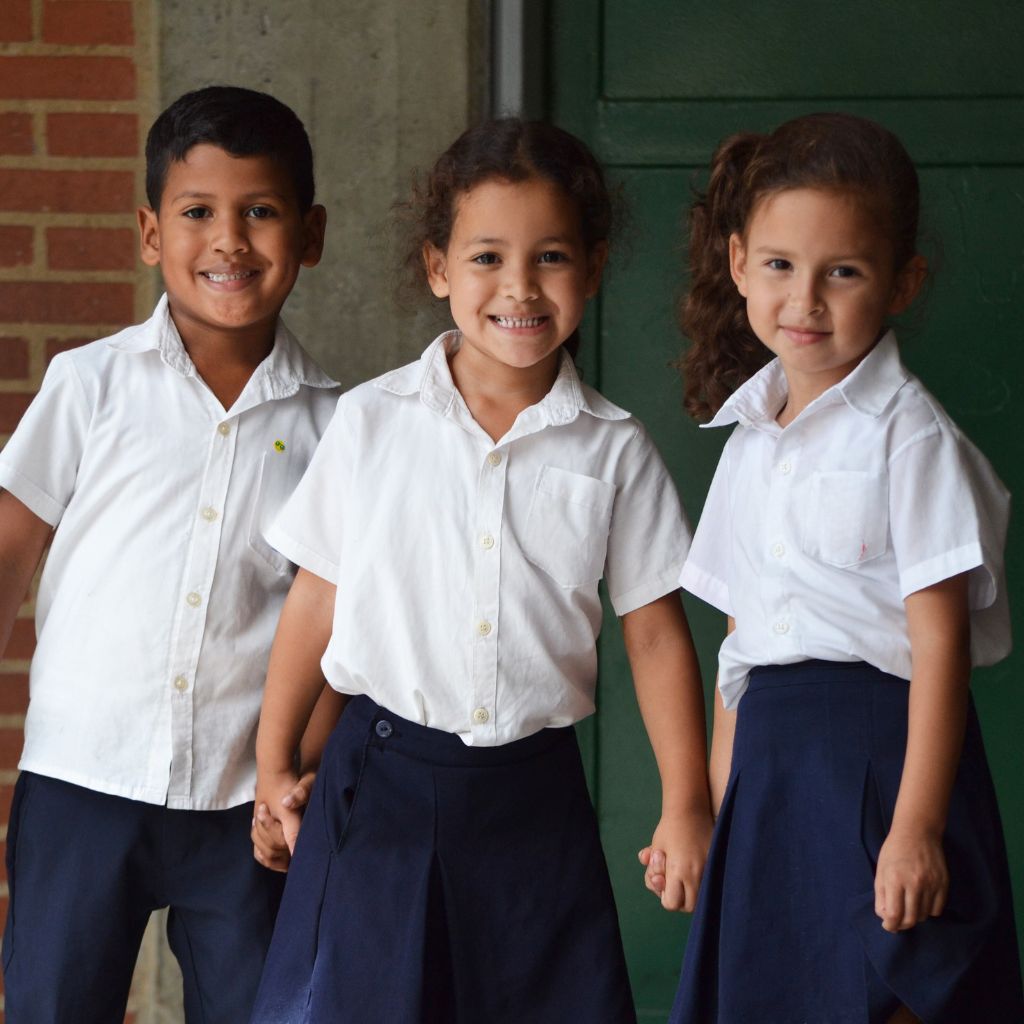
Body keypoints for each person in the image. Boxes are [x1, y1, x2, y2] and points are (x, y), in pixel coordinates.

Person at [248, 118, 713, 1024]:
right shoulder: (375, 422)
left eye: (549, 258)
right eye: (488, 258)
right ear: (438, 269)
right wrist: (272, 765)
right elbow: (318, 597)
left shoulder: (615, 449)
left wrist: (685, 801)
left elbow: (655, 633)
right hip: (378, 790)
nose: (519, 289)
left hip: (533, 801)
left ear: (594, 266)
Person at [643, 112, 1023, 1023]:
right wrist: (717, 817)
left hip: (883, 769)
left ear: (901, 283)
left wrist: (916, 830)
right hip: (773, 779)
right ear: (738, 265)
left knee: (887, 992)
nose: (804, 300)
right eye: (779, 266)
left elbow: (940, 652)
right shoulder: (747, 443)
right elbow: (742, 654)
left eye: (842, 272)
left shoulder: (912, 439)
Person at [0, 85, 341, 1022]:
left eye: (260, 213)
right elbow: (9, 551)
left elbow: (338, 622)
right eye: (198, 213)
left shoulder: (341, 429)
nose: (229, 241)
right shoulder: (90, 385)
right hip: (82, 778)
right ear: (153, 233)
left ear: (309, 234)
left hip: (245, 805)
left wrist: (297, 772)